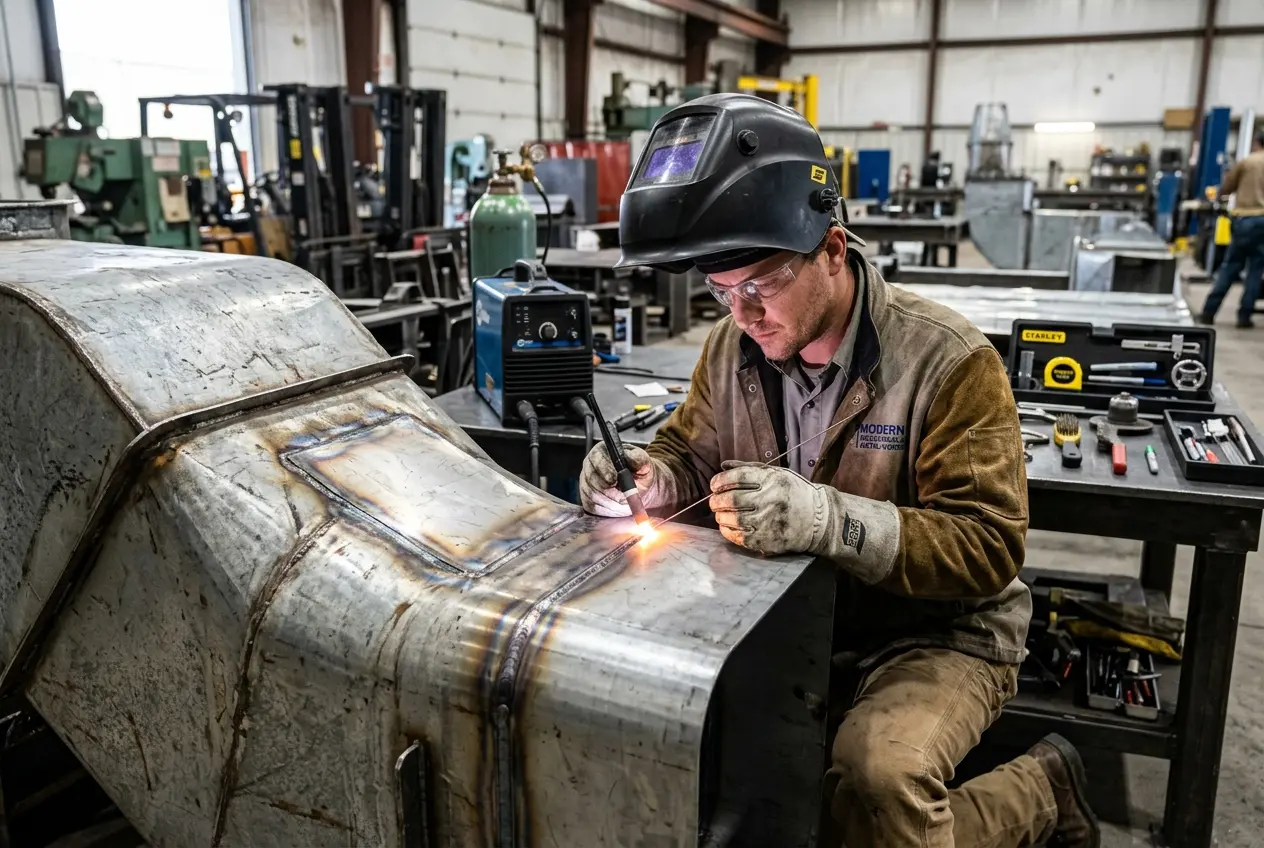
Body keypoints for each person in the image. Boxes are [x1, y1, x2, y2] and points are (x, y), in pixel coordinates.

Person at [580, 94, 1100, 847]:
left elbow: (987, 549)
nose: (743, 316)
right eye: (721, 294)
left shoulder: (947, 360)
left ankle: (1039, 793)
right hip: (799, 619)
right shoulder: (733, 348)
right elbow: (687, 454)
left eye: (759, 287)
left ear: (830, 248)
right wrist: (649, 478)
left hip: (937, 629)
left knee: (872, 781)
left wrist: (829, 519)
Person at [1199, 129, 1264, 328]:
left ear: (1256, 142)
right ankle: (1244, 316)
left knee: (1231, 266)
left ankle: (1209, 312)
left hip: (1244, 219)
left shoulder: (1247, 162)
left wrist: (1218, 197)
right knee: (1256, 269)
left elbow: (1227, 186)